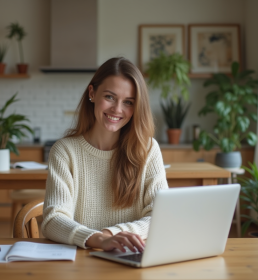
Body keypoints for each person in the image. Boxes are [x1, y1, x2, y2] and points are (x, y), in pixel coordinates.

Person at [41, 57, 168, 253]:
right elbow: (53, 221)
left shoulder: (148, 149)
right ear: (92, 93)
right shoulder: (64, 151)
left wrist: (112, 235)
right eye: (110, 97)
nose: (117, 109)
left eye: (128, 102)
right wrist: (98, 239)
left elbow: (161, 215)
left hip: (133, 258)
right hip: (82, 263)